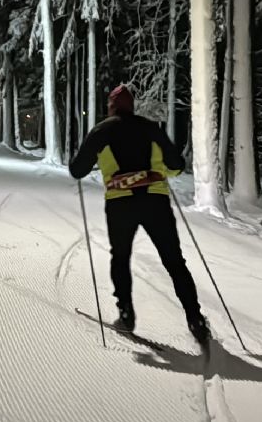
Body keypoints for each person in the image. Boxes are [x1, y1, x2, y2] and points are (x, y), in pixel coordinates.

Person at [67, 84, 209, 347]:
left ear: (111, 106)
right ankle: (195, 319)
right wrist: (164, 171)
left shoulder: (102, 131)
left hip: (121, 203)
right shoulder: (151, 128)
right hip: (155, 201)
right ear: (132, 106)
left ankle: (126, 313)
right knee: (174, 261)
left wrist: (77, 161)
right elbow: (177, 165)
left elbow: (77, 170)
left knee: (120, 257)